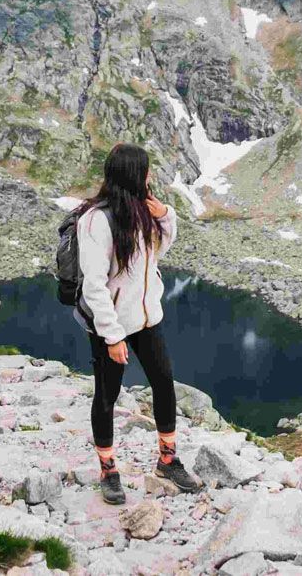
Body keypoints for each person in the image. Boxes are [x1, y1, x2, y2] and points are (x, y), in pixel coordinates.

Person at [73, 143, 202, 504]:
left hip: (147, 318)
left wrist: (165, 215)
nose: (150, 177)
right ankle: (108, 469)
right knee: (107, 395)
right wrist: (112, 336)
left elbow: (160, 250)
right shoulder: (96, 220)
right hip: (110, 324)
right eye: (145, 171)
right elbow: (94, 285)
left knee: (164, 383)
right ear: (132, 174)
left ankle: (168, 459)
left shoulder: (142, 211)